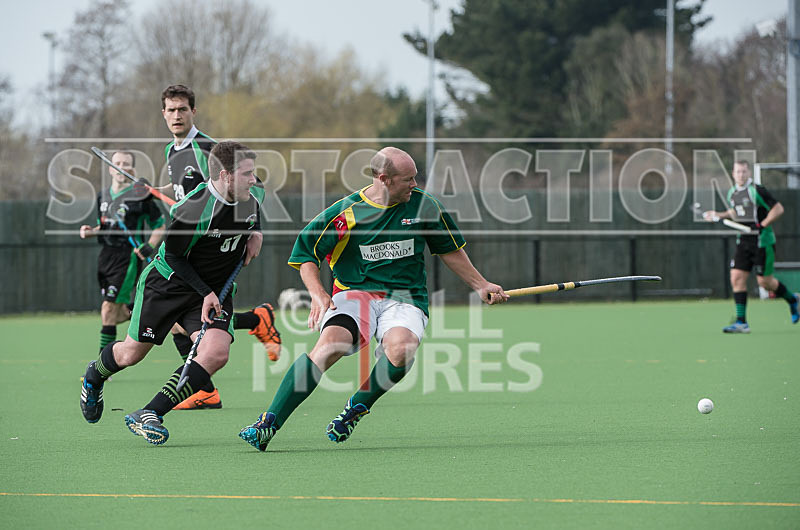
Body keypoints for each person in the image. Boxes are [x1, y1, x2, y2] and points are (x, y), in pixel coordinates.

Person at [239, 146, 508, 452]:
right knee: (329, 347)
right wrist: (317, 292)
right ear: (384, 179)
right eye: (408, 179)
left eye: (415, 178)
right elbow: (305, 254)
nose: (415, 185)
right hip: (355, 293)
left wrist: (480, 284)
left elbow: (449, 249)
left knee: (402, 349)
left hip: (405, 297)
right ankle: (268, 423)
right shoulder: (345, 214)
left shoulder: (424, 207)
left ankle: (357, 406)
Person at [80, 141, 265, 445]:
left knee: (216, 352)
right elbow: (176, 258)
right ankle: (94, 375)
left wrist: (256, 231)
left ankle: (150, 412)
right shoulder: (194, 210)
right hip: (169, 284)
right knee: (130, 354)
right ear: (226, 176)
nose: (254, 180)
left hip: (216, 289)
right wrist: (205, 292)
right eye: (247, 174)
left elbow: (256, 205)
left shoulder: (249, 192)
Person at [160, 84, 281, 410]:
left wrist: (256, 230)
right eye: (171, 110)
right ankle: (255, 323)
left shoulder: (209, 150)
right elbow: (190, 200)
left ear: (193, 112)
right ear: (163, 113)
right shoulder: (172, 152)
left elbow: (255, 189)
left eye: (182, 109)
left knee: (184, 315)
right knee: (178, 320)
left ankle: (204, 388)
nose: (176, 116)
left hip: (214, 251)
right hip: (190, 247)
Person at [80, 150, 166, 353]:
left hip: (127, 257)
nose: (121, 167)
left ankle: (101, 366)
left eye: (125, 164)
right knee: (112, 313)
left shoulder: (140, 197)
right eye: (117, 163)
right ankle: (149, 314)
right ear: (110, 168)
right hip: (105, 256)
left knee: (108, 308)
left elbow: (160, 225)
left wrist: (149, 246)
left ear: (131, 170)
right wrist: (91, 231)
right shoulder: (103, 195)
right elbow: (106, 225)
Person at [704, 160, 799, 333]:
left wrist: (762, 225)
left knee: (765, 282)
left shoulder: (757, 190)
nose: (740, 175)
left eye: (743, 172)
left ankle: (792, 300)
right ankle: (742, 322)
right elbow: (735, 212)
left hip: (762, 241)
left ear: (748, 173)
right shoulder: (732, 193)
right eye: (737, 172)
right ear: (732, 174)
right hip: (744, 241)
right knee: (736, 278)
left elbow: (778, 209)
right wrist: (718, 215)